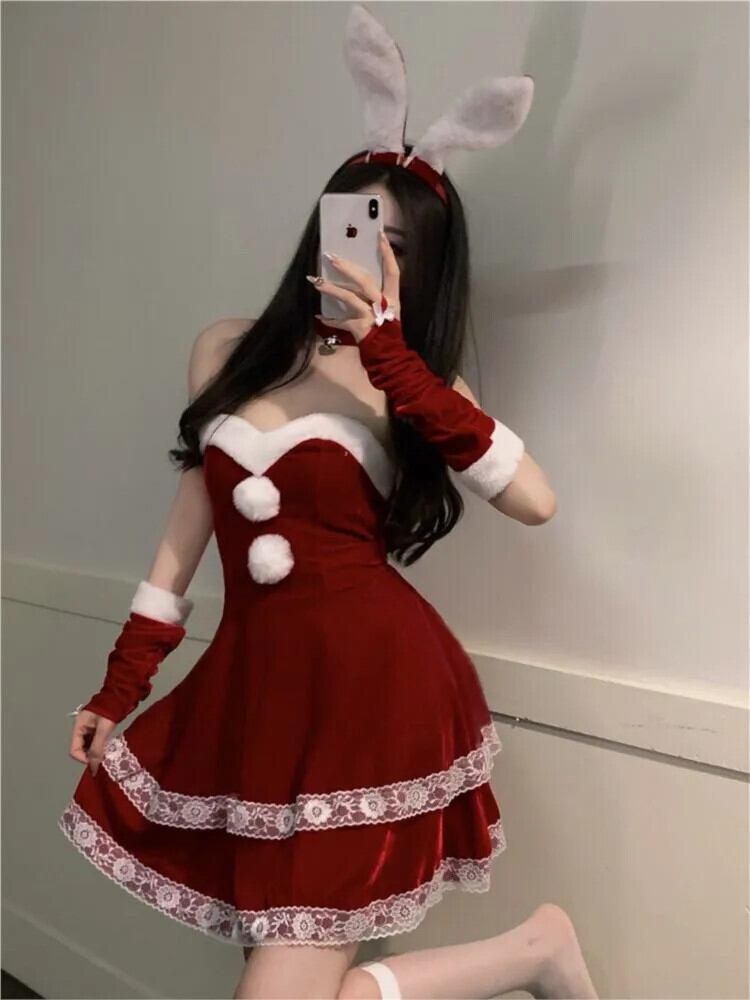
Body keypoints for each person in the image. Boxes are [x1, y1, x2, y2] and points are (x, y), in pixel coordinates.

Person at [59, 6, 598, 997]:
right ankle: (535, 950)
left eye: (394, 244)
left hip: (372, 694)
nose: (362, 251)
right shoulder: (225, 349)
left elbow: (535, 500)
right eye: (351, 223)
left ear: (422, 265)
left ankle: (534, 952)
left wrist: (392, 359)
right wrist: (119, 684)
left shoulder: (415, 387)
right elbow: (185, 539)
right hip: (258, 696)